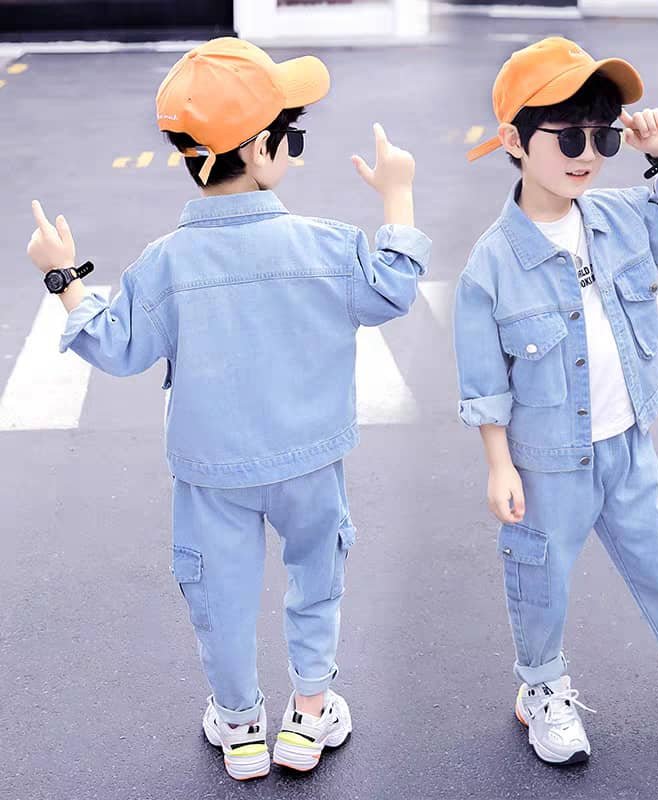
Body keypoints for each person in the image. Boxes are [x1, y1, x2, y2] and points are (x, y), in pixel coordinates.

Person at [26, 36, 431, 781]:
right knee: (317, 583)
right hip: (311, 460)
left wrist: (62, 277)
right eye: (292, 137)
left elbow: (115, 348)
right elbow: (394, 288)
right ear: (262, 149)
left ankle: (241, 725)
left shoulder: (165, 262)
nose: (293, 151)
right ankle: (309, 715)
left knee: (222, 597)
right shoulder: (326, 245)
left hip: (212, 470)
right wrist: (397, 193)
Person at [453, 35, 658, 766]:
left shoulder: (618, 217)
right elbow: (483, 382)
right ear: (514, 141)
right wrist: (499, 465)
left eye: (603, 136)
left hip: (629, 444)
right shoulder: (492, 264)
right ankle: (542, 690)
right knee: (541, 581)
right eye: (569, 137)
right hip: (547, 460)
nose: (589, 154)